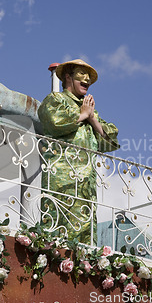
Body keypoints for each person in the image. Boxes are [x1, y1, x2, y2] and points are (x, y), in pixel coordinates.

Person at [37, 59, 120, 245]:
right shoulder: (56, 99)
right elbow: (53, 122)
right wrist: (82, 115)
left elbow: (109, 143)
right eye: (82, 75)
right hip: (62, 178)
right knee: (59, 225)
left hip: (86, 183)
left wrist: (92, 119)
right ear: (68, 77)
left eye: (89, 77)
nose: (87, 80)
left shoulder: (90, 110)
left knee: (86, 227)